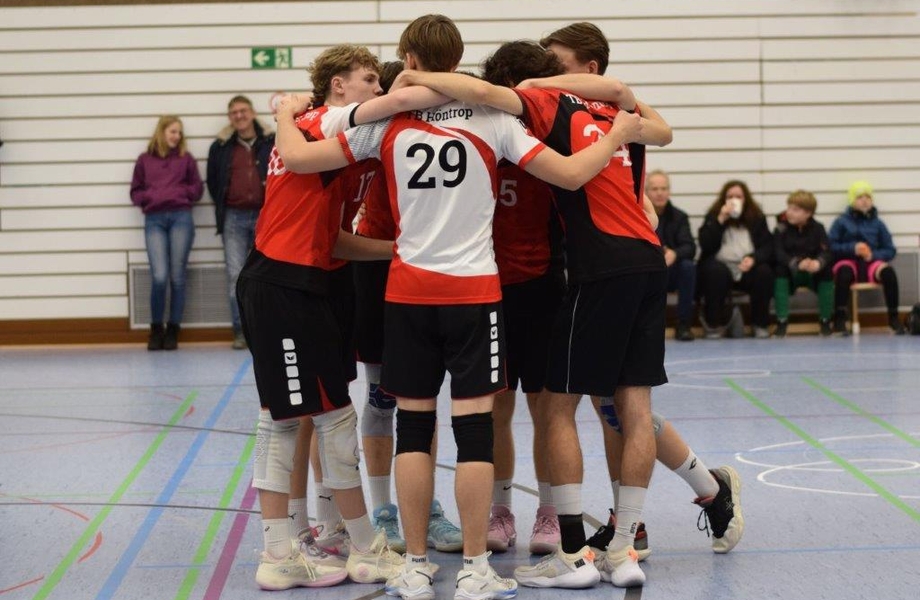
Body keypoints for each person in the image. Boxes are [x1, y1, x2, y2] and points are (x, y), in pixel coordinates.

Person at [273, 15, 645, 600]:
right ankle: (475, 568)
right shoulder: (494, 120)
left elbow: (299, 160)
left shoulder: (386, 122)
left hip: (407, 295)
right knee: (474, 435)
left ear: (407, 59)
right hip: (475, 296)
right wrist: (617, 134)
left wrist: (283, 115)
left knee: (413, 432)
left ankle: (416, 565)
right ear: (459, 57)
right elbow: (573, 174)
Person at [392, 33, 673, 588]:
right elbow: (651, 131)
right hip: (512, 283)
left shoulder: (538, 119)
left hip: (554, 281)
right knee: (534, 408)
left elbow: (600, 177)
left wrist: (411, 80)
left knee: (555, 408)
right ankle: (565, 528)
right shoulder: (518, 125)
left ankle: (559, 528)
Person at [236, 43, 451, 591]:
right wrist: (285, 113)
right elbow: (392, 103)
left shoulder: (331, 138)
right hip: (283, 286)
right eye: (369, 80)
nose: (379, 90)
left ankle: (348, 546)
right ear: (338, 85)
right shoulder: (321, 123)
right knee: (298, 421)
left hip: (315, 282)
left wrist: (397, 249)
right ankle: (297, 553)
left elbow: (329, 238)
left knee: (321, 418)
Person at [532, 22, 743, 580]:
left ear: (588, 68)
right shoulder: (570, 112)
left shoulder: (596, 109)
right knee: (618, 405)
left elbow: (650, 121)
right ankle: (702, 491)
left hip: (605, 267)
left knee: (613, 407)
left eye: (557, 61)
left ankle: (635, 526)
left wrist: (537, 83)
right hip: (583, 264)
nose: (548, 71)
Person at [206, 95, 275, 350]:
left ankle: (265, 330)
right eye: (234, 112)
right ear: (229, 118)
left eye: (243, 110)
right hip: (233, 218)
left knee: (266, 276)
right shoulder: (220, 147)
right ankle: (240, 332)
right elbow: (213, 182)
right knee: (235, 275)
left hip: (266, 217)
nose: (239, 116)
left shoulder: (272, 140)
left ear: (253, 113)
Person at [130, 115, 203, 351]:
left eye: (179, 132)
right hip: (154, 220)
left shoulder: (186, 159)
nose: (177, 136)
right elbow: (135, 192)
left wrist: (180, 194)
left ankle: (173, 329)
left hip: (181, 218)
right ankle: (156, 329)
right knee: (160, 276)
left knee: (177, 277)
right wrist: (151, 197)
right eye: (172, 131)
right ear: (161, 132)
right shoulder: (144, 160)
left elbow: (197, 189)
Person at [697, 179, 775, 339]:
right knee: (714, 272)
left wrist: (753, 259)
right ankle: (714, 325)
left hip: (747, 267)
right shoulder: (713, 217)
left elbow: (767, 246)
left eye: (738, 197)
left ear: (745, 199)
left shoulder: (757, 218)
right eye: (730, 197)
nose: (734, 200)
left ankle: (760, 324)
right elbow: (706, 245)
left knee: (764, 272)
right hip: (720, 267)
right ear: (723, 199)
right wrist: (720, 220)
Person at [829, 180, 906, 335]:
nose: (864, 200)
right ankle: (839, 319)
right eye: (859, 197)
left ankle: (893, 318)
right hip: (848, 260)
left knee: (888, 273)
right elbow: (831, 246)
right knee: (844, 273)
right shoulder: (841, 222)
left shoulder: (878, 224)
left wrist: (873, 255)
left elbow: (890, 249)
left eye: (868, 197)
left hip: (871, 263)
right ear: (852, 201)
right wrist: (852, 248)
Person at [773, 190, 834, 337]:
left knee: (827, 271)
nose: (789, 212)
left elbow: (826, 251)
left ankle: (825, 321)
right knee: (779, 270)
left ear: (808, 213)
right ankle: (782, 321)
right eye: (789, 208)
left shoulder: (818, 228)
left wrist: (818, 263)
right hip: (791, 273)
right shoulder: (780, 228)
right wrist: (796, 263)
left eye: (795, 209)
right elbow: (778, 253)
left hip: (812, 273)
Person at [646, 169, 697, 341]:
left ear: (669, 191)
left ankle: (683, 325)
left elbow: (690, 247)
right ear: (646, 192)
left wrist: (674, 254)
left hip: (671, 271)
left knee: (688, 267)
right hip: (647, 269)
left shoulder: (680, 217)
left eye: (663, 188)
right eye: (655, 189)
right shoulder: (637, 215)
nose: (660, 193)